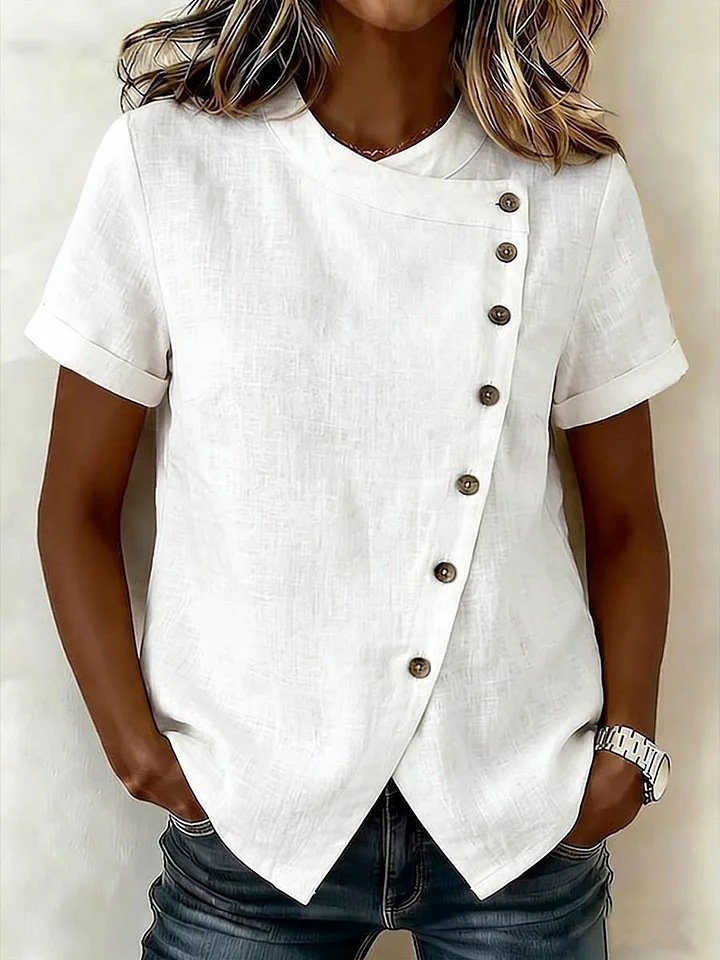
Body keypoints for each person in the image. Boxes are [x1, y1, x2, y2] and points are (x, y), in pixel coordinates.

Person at [24, 1, 688, 957]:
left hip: (518, 812)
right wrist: (137, 752)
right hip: (252, 827)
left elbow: (625, 521)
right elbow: (75, 507)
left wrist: (625, 753)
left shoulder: (572, 184)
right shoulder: (165, 163)